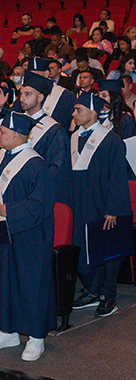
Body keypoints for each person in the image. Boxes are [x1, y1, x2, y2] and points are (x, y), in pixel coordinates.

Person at [0, 111, 56, 362]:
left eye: (3, 133)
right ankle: (8, 330)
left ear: (17, 135)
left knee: (29, 284)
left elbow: (41, 204)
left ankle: (36, 337)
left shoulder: (35, 164)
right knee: (2, 279)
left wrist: (13, 211)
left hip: (29, 235)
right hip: (1, 231)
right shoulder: (2, 156)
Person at [69, 92, 131, 318]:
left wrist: (113, 208)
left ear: (93, 113)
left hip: (104, 204)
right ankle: (93, 290)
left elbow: (117, 176)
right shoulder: (74, 137)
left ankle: (109, 295)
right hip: (80, 203)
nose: (74, 114)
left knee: (108, 250)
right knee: (83, 248)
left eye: (79, 110)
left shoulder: (110, 139)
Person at [19, 72, 72, 206]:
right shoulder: (17, 123)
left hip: (38, 196)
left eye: (28, 94)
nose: (22, 98)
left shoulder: (54, 130)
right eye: (21, 94)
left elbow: (56, 170)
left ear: (40, 97)